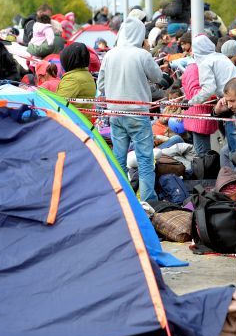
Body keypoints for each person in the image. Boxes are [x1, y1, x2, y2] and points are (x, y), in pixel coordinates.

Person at [98, 17, 166, 202]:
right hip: (137, 114)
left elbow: (101, 84)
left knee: (119, 158)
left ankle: (123, 199)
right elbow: (158, 76)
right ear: (140, 34)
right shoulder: (141, 55)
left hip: (115, 114)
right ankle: (147, 202)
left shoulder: (110, 55)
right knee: (144, 160)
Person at [189, 34, 236, 156]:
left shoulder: (205, 62)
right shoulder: (219, 57)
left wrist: (191, 102)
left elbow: (208, 88)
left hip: (232, 101)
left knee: (235, 147)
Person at [57, 42, 97, 122]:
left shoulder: (72, 78)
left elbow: (58, 103)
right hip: (84, 122)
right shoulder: (87, 75)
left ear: (70, 59)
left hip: (72, 124)